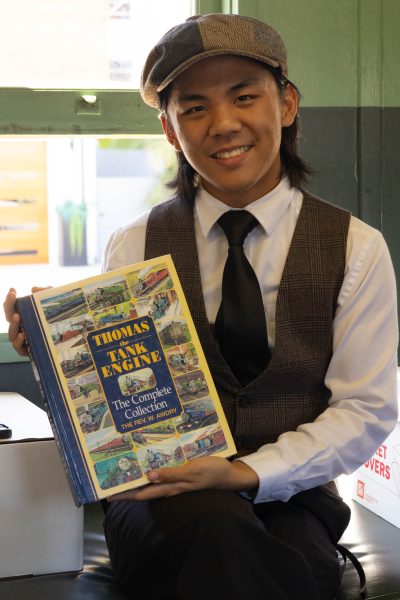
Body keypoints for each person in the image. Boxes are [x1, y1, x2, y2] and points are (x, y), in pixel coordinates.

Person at [4, 13, 398, 600]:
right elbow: (118, 394)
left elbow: (364, 410)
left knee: (279, 553)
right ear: (169, 128)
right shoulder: (134, 245)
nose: (222, 124)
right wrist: (55, 351)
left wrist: (246, 473)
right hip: (159, 495)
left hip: (295, 494)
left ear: (286, 104)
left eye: (244, 96)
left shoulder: (357, 249)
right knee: (222, 536)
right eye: (193, 107)